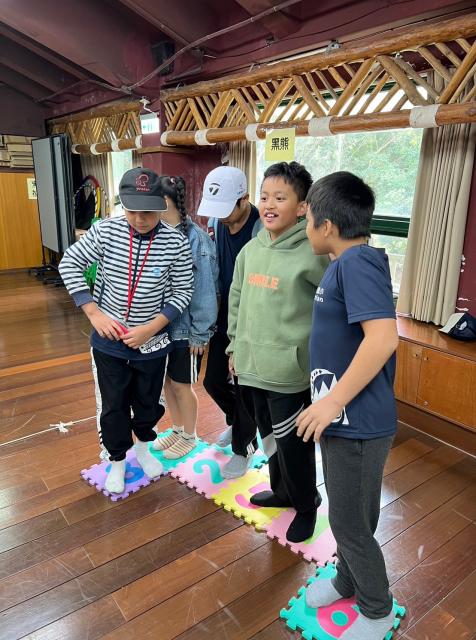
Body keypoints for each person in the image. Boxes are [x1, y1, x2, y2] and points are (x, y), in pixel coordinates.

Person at [297, 171, 399, 640]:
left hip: (357, 421)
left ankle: (377, 610)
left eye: (309, 219)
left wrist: (333, 400)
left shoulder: (357, 263)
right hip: (343, 419)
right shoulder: (345, 262)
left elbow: (383, 338)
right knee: (353, 513)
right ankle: (347, 580)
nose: (306, 227)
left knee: (349, 522)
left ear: (328, 226)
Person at [59, 168, 194, 494]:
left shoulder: (176, 241)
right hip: (110, 345)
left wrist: (152, 328)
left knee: (148, 403)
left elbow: (182, 291)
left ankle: (144, 448)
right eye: (132, 210)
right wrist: (93, 313)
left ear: (161, 206)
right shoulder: (105, 231)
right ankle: (117, 459)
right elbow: (69, 263)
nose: (139, 219)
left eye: (148, 212)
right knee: (114, 405)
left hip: (152, 344)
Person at [226, 161, 328, 542]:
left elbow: (330, 309)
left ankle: (306, 503)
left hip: (288, 373)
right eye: (265, 196)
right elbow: (236, 301)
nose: (269, 205)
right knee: (269, 438)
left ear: (302, 207)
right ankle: (282, 491)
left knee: (293, 445)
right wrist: (233, 347)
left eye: (280, 198)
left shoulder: (314, 254)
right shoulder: (250, 250)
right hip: (251, 366)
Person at [197, 166, 261, 479]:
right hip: (225, 314)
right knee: (213, 381)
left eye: (226, 209)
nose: (220, 216)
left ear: (244, 199)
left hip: (252, 319)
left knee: (245, 387)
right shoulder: (217, 223)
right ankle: (239, 425)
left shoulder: (261, 229)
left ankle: (243, 448)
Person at [151, 175, 218, 458]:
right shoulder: (159, 233)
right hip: (163, 329)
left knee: (182, 385)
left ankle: (190, 435)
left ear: (167, 202)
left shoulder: (196, 239)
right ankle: (178, 430)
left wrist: (200, 334)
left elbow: (205, 291)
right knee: (168, 383)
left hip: (187, 331)